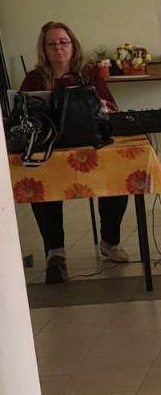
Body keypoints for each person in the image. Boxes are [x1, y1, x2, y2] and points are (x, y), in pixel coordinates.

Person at [18, 22, 129, 283]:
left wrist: (102, 105)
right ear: (43, 49)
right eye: (51, 44)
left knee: (118, 176)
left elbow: (112, 107)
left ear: (73, 45)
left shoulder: (90, 73)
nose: (58, 48)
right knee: (39, 181)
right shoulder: (34, 78)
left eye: (63, 42)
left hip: (90, 145)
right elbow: (21, 113)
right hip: (51, 149)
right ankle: (55, 251)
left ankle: (109, 242)